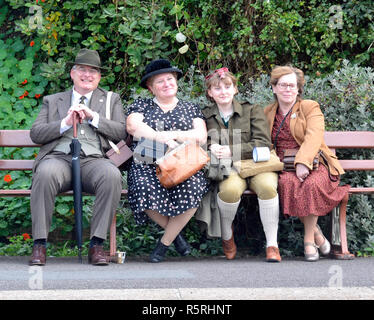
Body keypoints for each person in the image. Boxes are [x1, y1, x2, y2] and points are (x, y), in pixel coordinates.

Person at [29, 49, 127, 266]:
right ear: (72, 74)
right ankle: (40, 244)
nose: (87, 75)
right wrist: (64, 122)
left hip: (94, 160)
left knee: (111, 175)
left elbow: (121, 132)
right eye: (82, 69)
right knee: (45, 173)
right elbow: (36, 133)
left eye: (93, 71)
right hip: (59, 159)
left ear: (99, 77)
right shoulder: (53, 100)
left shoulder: (111, 100)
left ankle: (97, 245)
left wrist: (93, 118)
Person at [126, 59, 209, 263]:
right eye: (160, 81)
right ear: (151, 88)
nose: (167, 84)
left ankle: (163, 245)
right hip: (147, 158)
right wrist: (162, 138)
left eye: (170, 79)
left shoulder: (190, 108)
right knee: (141, 187)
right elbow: (133, 127)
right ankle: (176, 236)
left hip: (183, 162)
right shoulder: (141, 105)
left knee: (195, 186)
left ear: (177, 82)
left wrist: (171, 134)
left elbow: (200, 135)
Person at [264, 65, 350, 261]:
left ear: (298, 89)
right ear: (274, 88)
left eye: (292, 85)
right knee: (287, 183)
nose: (288, 89)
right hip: (283, 166)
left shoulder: (309, 107)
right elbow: (262, 140)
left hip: (316, 163)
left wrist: (303, 162)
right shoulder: (267, 112)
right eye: (283, 85)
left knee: (310, 185)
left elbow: (313, 137)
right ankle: (318, 233)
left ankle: (308, 240)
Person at [196, 68, 281, 262]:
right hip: (228, 168)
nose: (223, 92)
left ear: (235, 89)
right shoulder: (205, 116)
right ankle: (227, 236)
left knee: (268, 187)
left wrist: (230, 150)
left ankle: (272, 245)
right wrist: (212, 147)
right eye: (217, 88)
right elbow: (201, 141)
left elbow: (262, 142)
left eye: (228, 87)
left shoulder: (252, 110)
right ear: (210, 93)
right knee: (229, 191)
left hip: (258, 164)